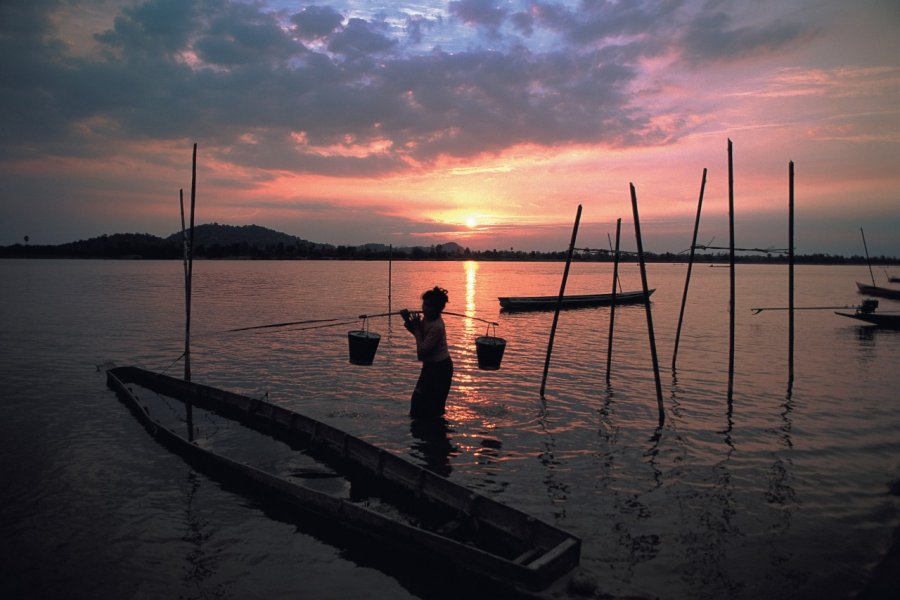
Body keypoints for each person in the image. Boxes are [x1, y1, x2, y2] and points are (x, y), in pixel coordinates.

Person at [401, 286, 453, 418]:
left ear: (438, 309)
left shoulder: (437, 326)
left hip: (440, 368)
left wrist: (417, 328)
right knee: (418, 401)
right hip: (430, 366)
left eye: (429, 306)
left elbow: (422, 351)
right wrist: (408, 320)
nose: (425, 308)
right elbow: (420, 337)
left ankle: (435, 432)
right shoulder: (427, 319)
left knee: (434, 406)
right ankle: (421, 433)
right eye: (424, 304)